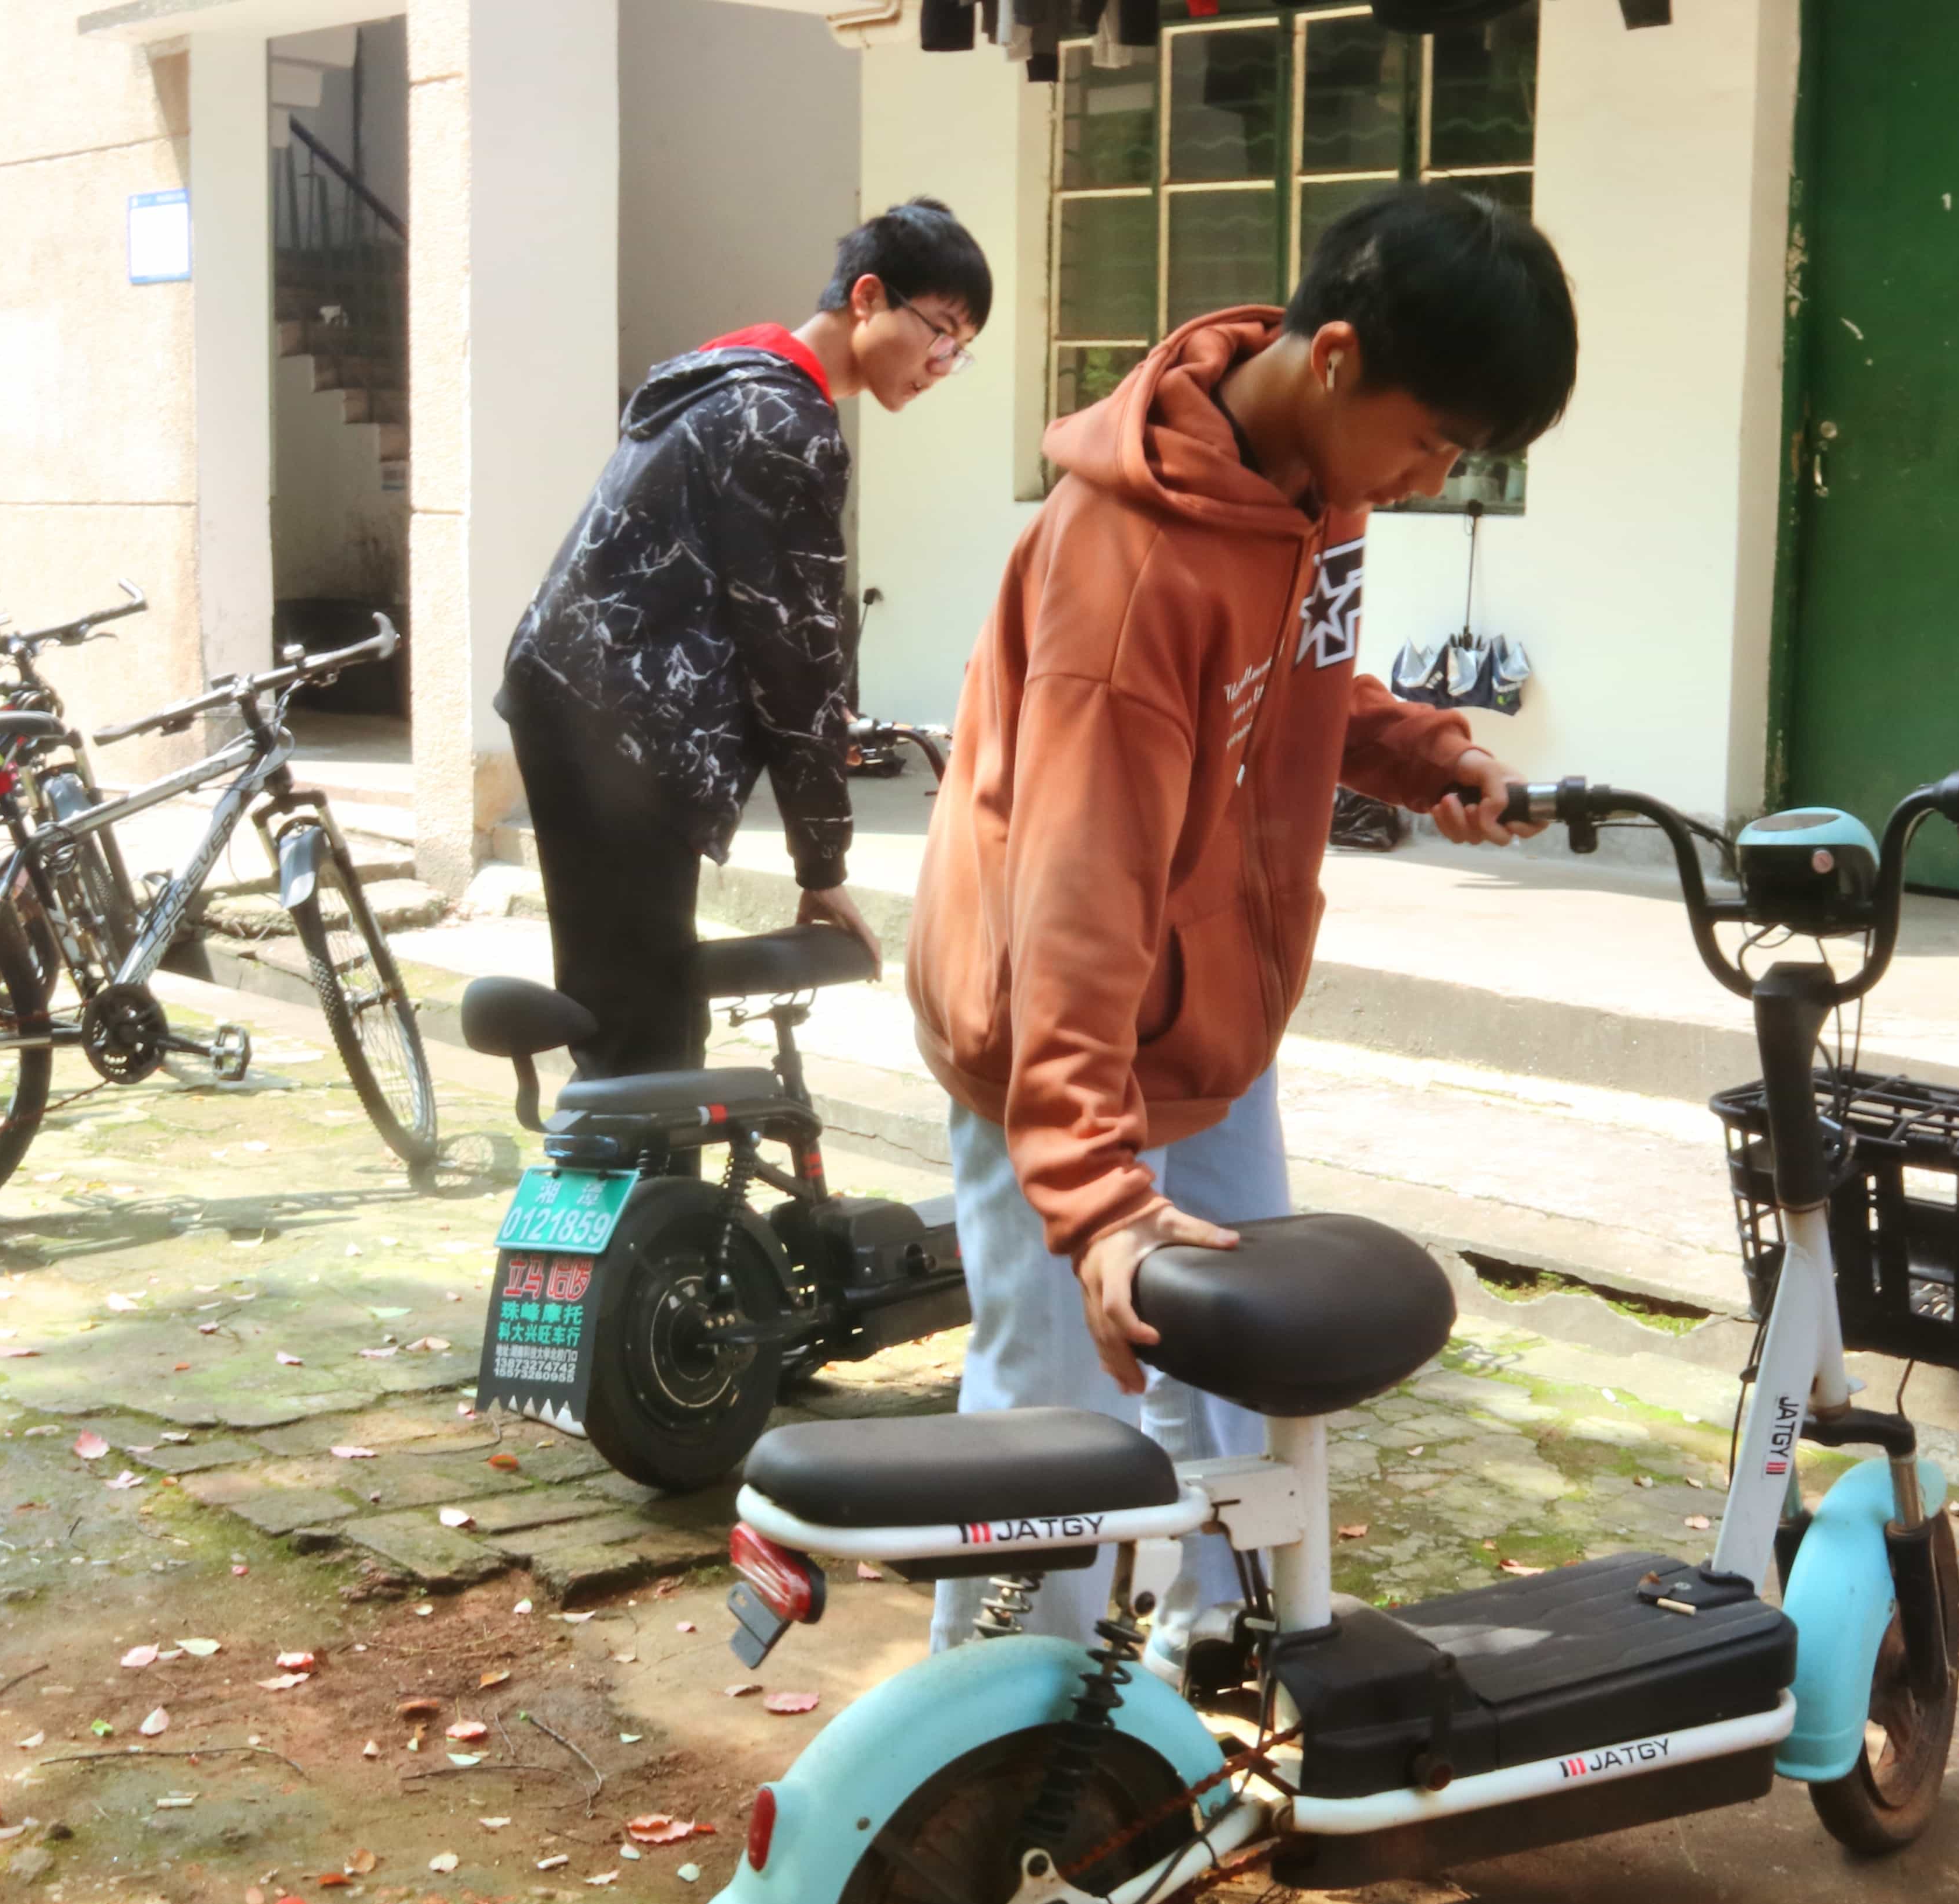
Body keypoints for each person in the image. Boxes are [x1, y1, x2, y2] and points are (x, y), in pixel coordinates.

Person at [904, 185, 1579, 1653]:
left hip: (1206, 1014)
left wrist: (1422, 753)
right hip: (1060, 1034)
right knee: (1055, 1417)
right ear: (1334, 358)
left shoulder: (1312, 484)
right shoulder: (1131, 566)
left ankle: (1220, 1638)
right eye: (1430, 442)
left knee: (1236, 1362)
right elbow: (1076, 886)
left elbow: (1293, 672)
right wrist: (1091, 1194)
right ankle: (991, 1726)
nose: (1428, 480)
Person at [496, 198, 991, 1087]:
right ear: (868, 298)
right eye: (941, 332)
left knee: (620, 995)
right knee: (646, 1023)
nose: (943, 365)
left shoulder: (723, 377)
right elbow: (796, 660)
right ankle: (635, 1168)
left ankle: (620, 1147)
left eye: (961, 350)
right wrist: (822, 863)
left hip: (564, 696)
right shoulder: (786, 427)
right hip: (622, 732)